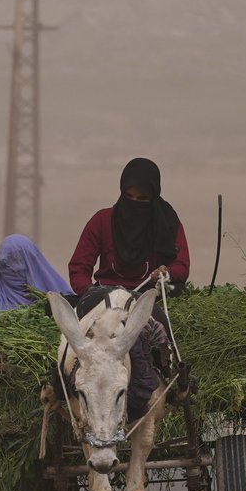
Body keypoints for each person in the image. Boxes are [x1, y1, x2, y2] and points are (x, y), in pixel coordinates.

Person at [68, 157, 190, 421]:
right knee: (67, 331)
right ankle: (63, 383)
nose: (135, 203)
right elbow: (78, 267)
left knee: (160, 325)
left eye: (142, 199)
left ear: (153, 196)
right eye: (128, 196)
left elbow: (182, 265)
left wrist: (165, 273)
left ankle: (172, 382)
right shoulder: (101, 221)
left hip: (145, 296)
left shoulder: (167, 222)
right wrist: (91, 293)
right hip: (102, 298)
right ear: (121, 192)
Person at [0, 234, 72, 321]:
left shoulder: (54, 297)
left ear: (30, 262)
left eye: (16, 263)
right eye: (5, 266)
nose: (12, 270)